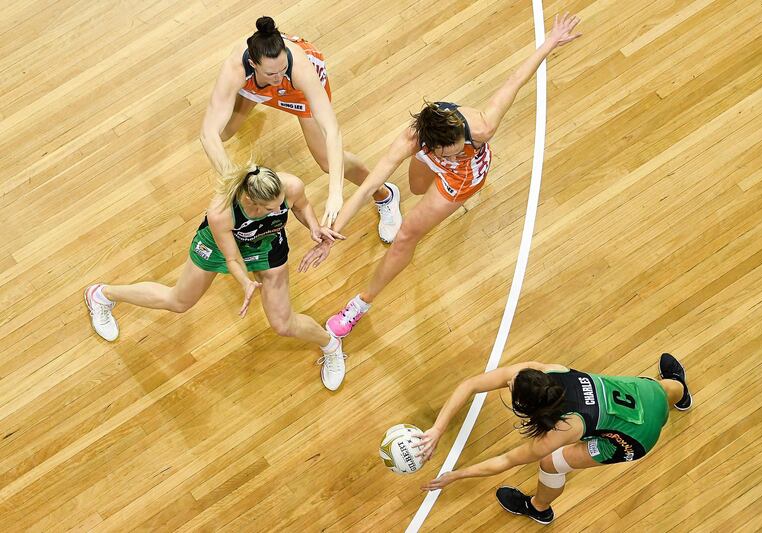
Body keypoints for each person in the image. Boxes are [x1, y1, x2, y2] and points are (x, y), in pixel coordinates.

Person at [299, 13, 582, 340]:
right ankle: (397, 196)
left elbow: (514, 81)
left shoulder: (482, 126)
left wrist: (548, 43)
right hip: (427, 161)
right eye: (444, 152)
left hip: (461, 179)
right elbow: (367, 187)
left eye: (455, 147)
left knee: (407, 234)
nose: (452, 152)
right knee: (417, 188)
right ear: (428, 144)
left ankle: (360, 305)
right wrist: (332, 234)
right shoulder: (411, 141)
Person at [84, 164, 349, 390]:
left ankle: (331, 345)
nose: (279, 208)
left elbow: (301, 206)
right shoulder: (221, 211)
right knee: (179, 302)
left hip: (266, 244)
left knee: (282, 324)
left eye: (280, 202)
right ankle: (102, 295)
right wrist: (245, 281)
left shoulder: (290, 185)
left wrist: (315, 228)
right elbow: (232, 257)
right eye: (272, 207)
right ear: (250, 200)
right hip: (219, 245)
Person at [417, 353, 693, 524]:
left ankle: (538, 508)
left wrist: (456, 475)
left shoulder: (565, 428)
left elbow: (506, 460)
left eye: (512, 387)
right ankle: (682, 394)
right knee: (664, 388)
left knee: (550, 463)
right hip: (646, 393)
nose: (509, 381)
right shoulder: (548, 372)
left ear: (527, 407)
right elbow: (471, 384)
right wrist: (437, 430)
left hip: (633, 439)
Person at [200, 16, 401, 240]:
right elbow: (208, 134)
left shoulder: (300, 68)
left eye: (281, 69)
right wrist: (235, 184)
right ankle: (257, 93)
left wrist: (335, 192)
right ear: (254, 64)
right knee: (224, 132)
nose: (278, 77)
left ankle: (385, 194)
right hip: (254, 84)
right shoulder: (235, 68)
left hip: (298, 92)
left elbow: (332, 130)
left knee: (326, 160)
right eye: (271, 73)